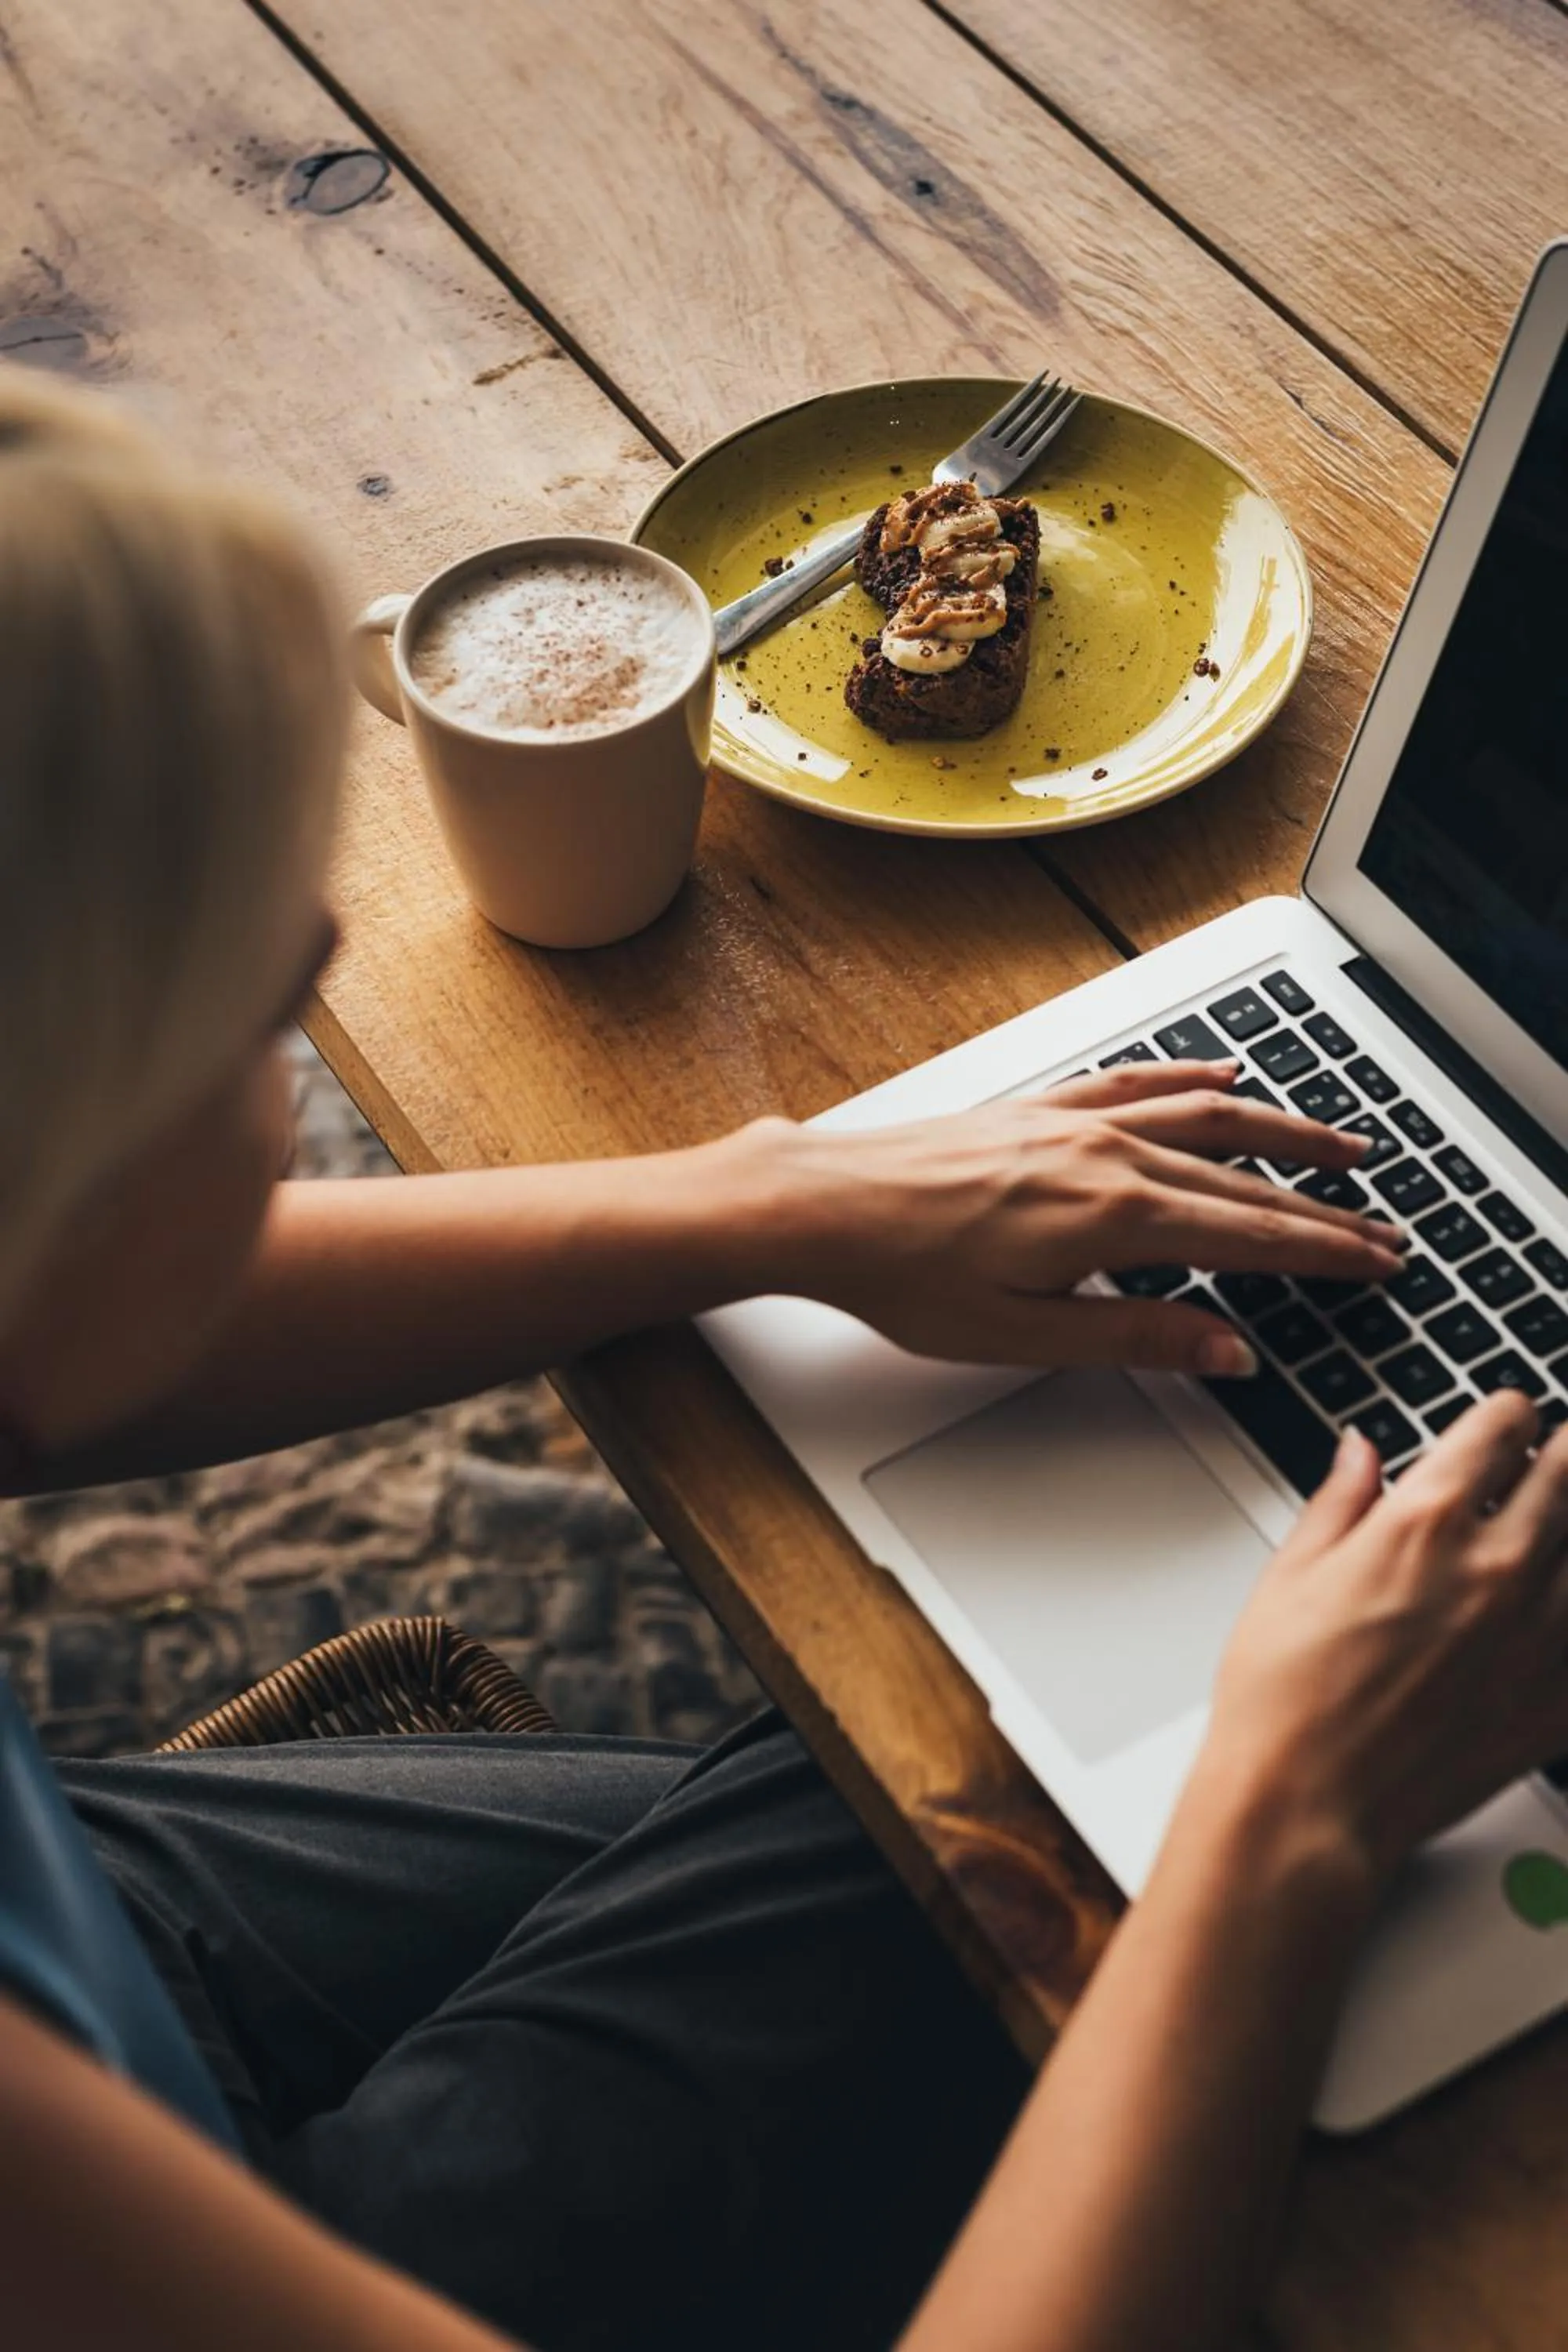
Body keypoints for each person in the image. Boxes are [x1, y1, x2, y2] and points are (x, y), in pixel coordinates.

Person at [0, 365, 1563, 2352]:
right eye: (247, 1018)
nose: (321, 957)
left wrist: (779, 1196)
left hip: (93, 1910)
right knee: (1038, 1808)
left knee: (928, 1783)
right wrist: (1281, 1827)